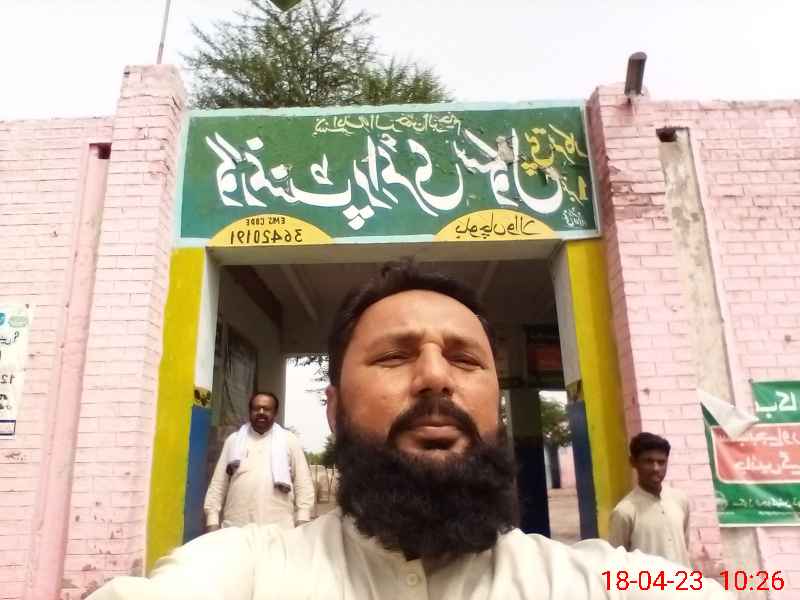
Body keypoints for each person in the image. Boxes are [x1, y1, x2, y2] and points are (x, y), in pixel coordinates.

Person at [89, 261, 730, 599]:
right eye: (394, 357)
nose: (434, 377)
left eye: (465, 359)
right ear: (334, 411)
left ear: (499, 409)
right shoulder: (248, 572)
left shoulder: (591, 582)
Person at [203, 391, 315, 531]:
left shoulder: (289, 440)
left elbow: (303, 483)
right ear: (250, 412)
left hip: (279, 529)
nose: (261, 412)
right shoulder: (233, 441)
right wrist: (212, 520)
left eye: (267, 409)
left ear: (275, 413)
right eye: (256, 408)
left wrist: (302, 519)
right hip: (236, 527)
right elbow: (218, 483)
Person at [608, 433, 691, 567]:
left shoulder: (680, 499)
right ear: (633, 462)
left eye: (661, 462)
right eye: (648, 461)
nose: (655, 468)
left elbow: (684, 548)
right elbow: (616, 563)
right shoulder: (624, 511)